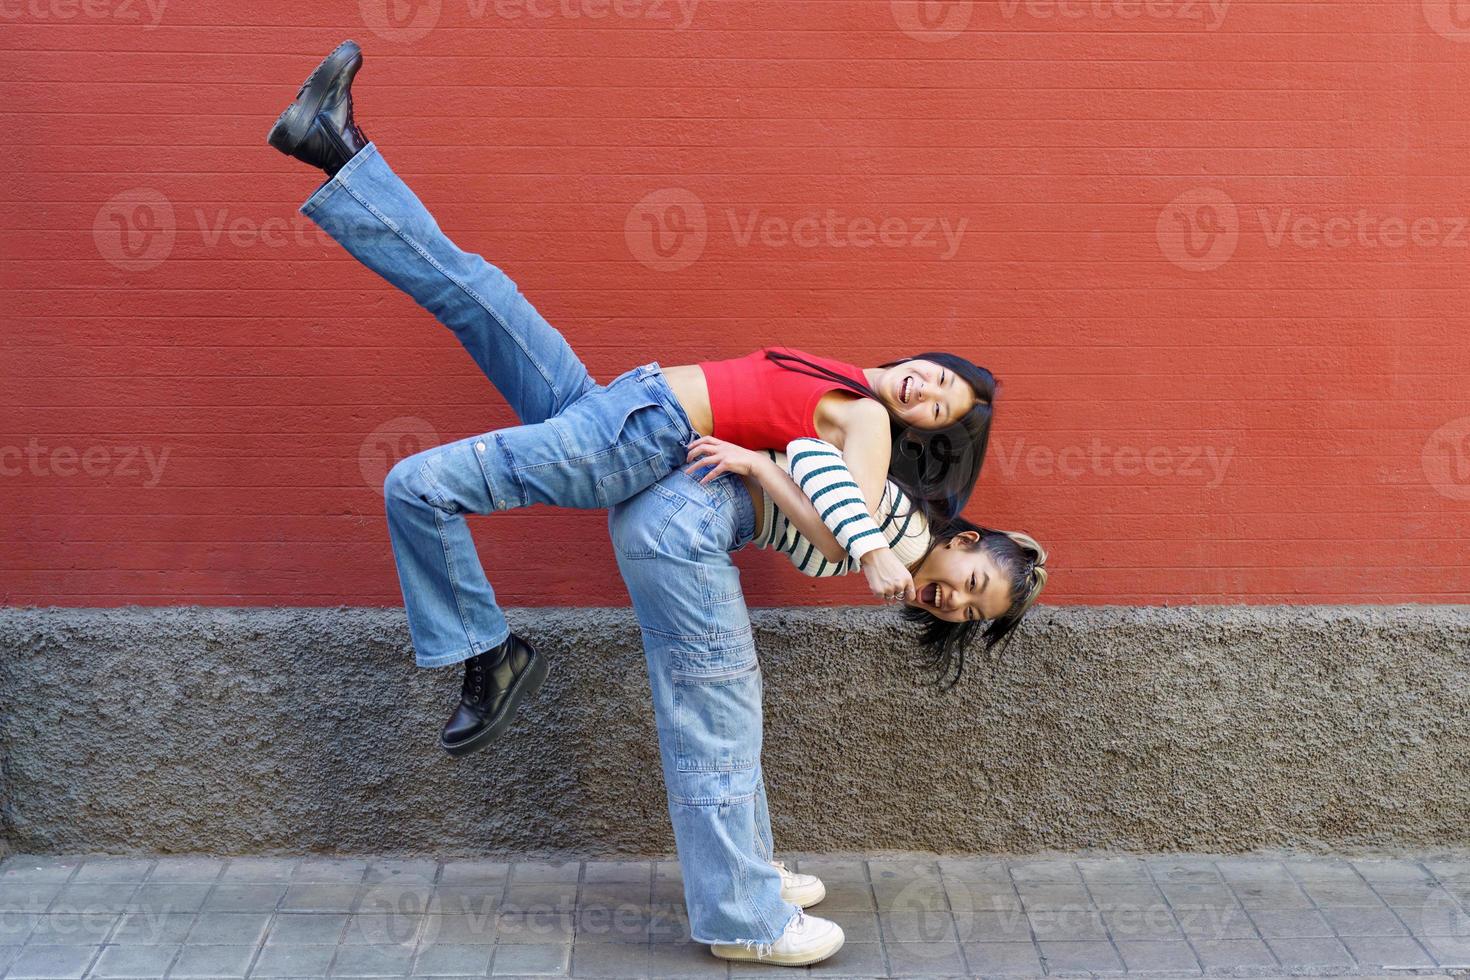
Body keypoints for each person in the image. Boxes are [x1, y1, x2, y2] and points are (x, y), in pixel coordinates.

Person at [266, 39, 999, 759]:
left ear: (919, 428)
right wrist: (758, 460)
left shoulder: (867, 418)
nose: (928, 393)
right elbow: (807, 456)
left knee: (415, 486)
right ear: (923, 359)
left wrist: (858, 540)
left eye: (938, 410)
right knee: (475, 292)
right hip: (621, 403)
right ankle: (340, 149)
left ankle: (489, 654)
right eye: (939, 378)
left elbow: (837, 510)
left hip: (636, 438)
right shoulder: (840, 377)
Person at [606, 445, 1047, 965]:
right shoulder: (898, 531)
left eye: (971, 612)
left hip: (681, 527)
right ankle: (742, 921)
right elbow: (814, 451)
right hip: (682, 529)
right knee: (717, 732)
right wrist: (760, 466)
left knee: (729, 723)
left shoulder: (902, 552)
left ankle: (753, 876)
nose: (956, 603)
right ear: (965, 540)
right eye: (972, 583)